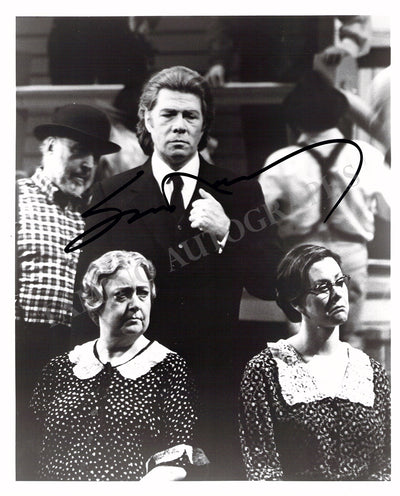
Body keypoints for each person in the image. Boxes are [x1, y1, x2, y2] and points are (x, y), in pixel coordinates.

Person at [72, 65, 282, 479]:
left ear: (204, 126)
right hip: (134, 380)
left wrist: (227, 232)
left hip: (213, 378)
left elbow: (270, 280)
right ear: (147, 120)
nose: (180, 126)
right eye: (168, 114)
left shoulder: (239, 191)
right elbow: (89, 297)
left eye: (191, 116)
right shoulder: (110, 194)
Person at [28, 250, 208, 480]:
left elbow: (180, 455)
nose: (136, 304)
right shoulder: (61, 367)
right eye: (122, 295)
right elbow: (28, 446)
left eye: (143, 293)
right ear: (96, 302)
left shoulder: (169, 368)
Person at [16, 103, 120, 479]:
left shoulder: (96, 217)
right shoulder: (14, 198)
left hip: (73, 357)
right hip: (18, 347)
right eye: (77, 151)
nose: (87, 164)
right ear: (48, 146)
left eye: (94, 156)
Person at [239, 244, 391, 480]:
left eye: (340, 282)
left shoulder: (372, 372)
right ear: (296, 302)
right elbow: (263, 469)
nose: (338, 293)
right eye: (322, 287)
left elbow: (388, 466)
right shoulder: (264, 371)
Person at [257, 70, 390, 341]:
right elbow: (390, 211)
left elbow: (260, 220)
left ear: (295, 120)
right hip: (351, 259)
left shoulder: (280, 162)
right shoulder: (367, 157)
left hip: (301, 258)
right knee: (348, 341)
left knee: (303, 341)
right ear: (339, 115)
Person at [205, 16, 371, 173]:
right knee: (263, 163)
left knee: (314, 162)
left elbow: (357, 18)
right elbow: (223, 21)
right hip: (259, 81)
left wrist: (345, 47)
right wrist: (219, 61)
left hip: (310, 83)